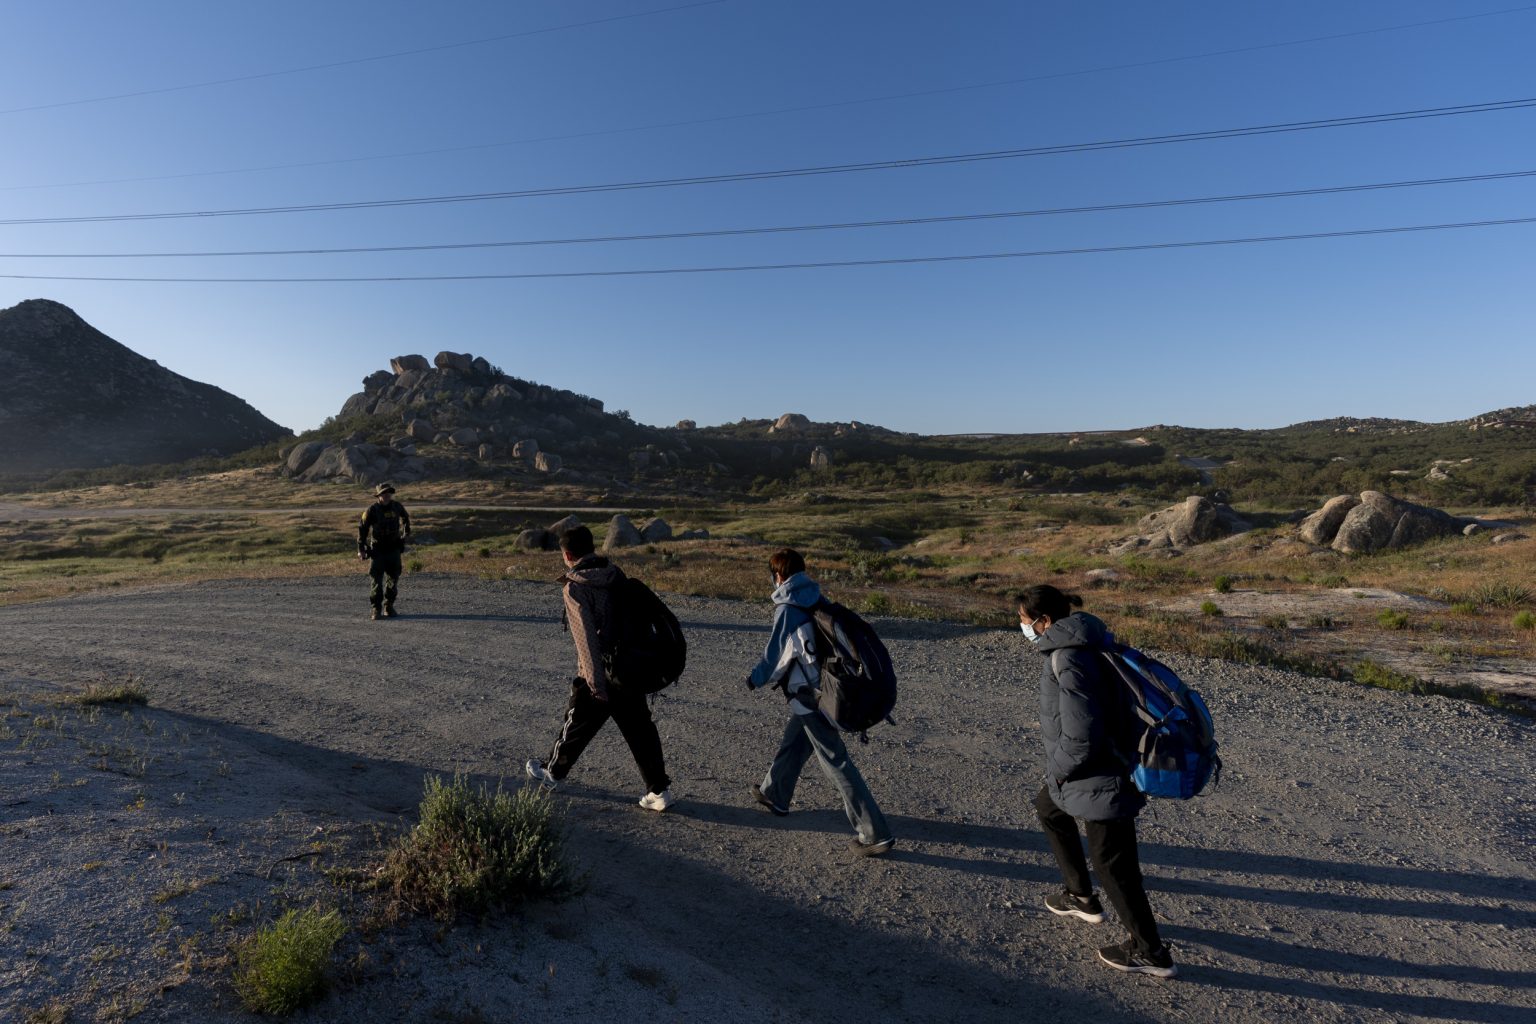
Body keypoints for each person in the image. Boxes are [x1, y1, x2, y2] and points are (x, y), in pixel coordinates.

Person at [1018, 584, 1177, 978]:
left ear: (1045, 621)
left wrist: (1058, 769)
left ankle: (1151, 952)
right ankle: (1080, 895)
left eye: (1024, 621)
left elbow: (1081, 735)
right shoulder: (1089, 642)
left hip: (1099, 775)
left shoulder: (1068, 659)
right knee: (1048, 808)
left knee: (1114, 866)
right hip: (1089, 769)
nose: (1022, 627)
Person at [747, 548, 893, 856]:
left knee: (835, 762)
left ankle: (874, 833)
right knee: (796, 740)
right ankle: (774, 794)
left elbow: (774, 655)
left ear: (777, 576)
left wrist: (755, 678)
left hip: (812, 696)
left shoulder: (787, 607)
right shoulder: (816, 597)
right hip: (825, 690)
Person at [526, 526, 675, 812]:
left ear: (567, 555)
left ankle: (553, 773)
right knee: (640, 730)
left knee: (578, 720)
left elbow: (585, 639)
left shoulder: (575, 586)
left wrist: (594, 683)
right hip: (629, 668)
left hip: (601, 670)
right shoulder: (614, 574)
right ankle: (658, 790)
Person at [357, 482, 411, 620]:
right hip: (378, 550)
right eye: (384, 493)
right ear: (379, 495)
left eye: (389, 493)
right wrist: (361, 549)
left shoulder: (397, 506)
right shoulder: (372, 510)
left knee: (393, 578)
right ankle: (376, 609)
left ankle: (389, 606)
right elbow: (362, 529)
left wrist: (405, 533)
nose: (387, 495)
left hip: (393, 549)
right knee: (376, 579)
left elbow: (405, 518)